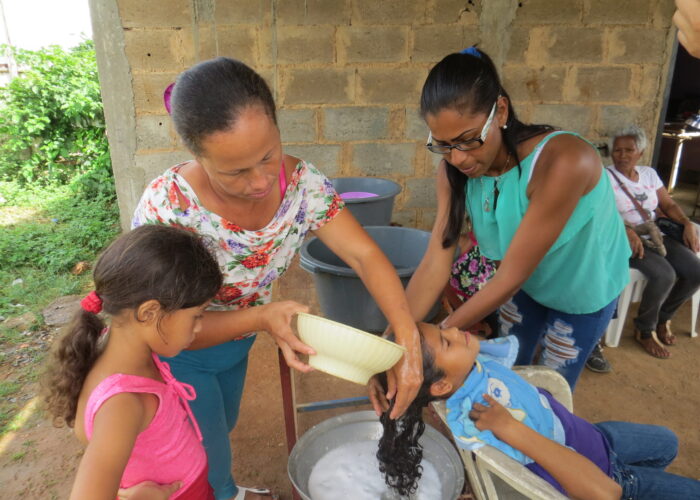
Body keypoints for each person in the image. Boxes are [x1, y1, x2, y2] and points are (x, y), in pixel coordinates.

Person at [132, 57, 422, 500]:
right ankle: (225, 493)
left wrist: (408, 337)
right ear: (197, 155)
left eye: (268, 155)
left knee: (223, 423)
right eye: (234, 171)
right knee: (201, 450)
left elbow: (363, 254)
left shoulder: (302, 186)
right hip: (179, 353)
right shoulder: (170, 210)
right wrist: (263, 318)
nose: (261, 181)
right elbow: (160, 328)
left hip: (239, 341)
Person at [398, 47, 630, 390]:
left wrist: (432, 340)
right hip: (528, 285)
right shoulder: (453, 172)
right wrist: (397, 335)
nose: (458, 158)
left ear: (501, 111)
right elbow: (437, 259)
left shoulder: (563, 162)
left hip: (582, 291)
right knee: (508, 372)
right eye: (444, 145)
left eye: (468, 139)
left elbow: (508, 276)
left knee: (546, 388)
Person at [375, 322, 700, 499]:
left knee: (668, 443)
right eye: (446, 341)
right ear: (441, 387)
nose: (454, 330)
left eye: (441, 328)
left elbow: (416, 338)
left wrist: (379, 365)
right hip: (607, 477)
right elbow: (606, 493)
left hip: (592, 438)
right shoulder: (484, 419)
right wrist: (509, 428)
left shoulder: (469, 368)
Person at [42, 225, 223, 499]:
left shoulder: (115, 346)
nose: (199, 327)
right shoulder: (123, 404)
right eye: (197, 315)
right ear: (149, 312)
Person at [605, 125, 700, 359]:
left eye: (629, 150)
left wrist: (687, 223)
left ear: (640, 152)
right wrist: (626, 229)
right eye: (617, 150)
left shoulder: (648, 174)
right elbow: (602, 213)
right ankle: (644, 329)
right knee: (664, 274)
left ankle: (663, 317)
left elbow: (667, 205)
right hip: (625, 238)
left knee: (696, 271)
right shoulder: (604, 177)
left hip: (655, 234)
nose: (623, 155)